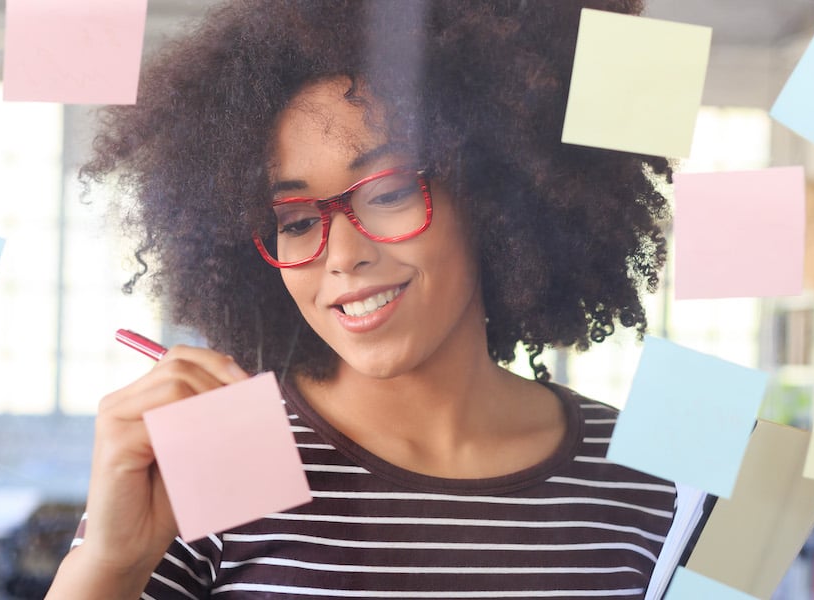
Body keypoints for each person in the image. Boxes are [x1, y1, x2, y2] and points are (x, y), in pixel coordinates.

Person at [47, 0, 678, 597]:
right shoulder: (223, 453)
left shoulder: (643, 478)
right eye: (294, 220)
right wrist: (110, 563)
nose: (342, 254)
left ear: (492, 198)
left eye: (387, 192)